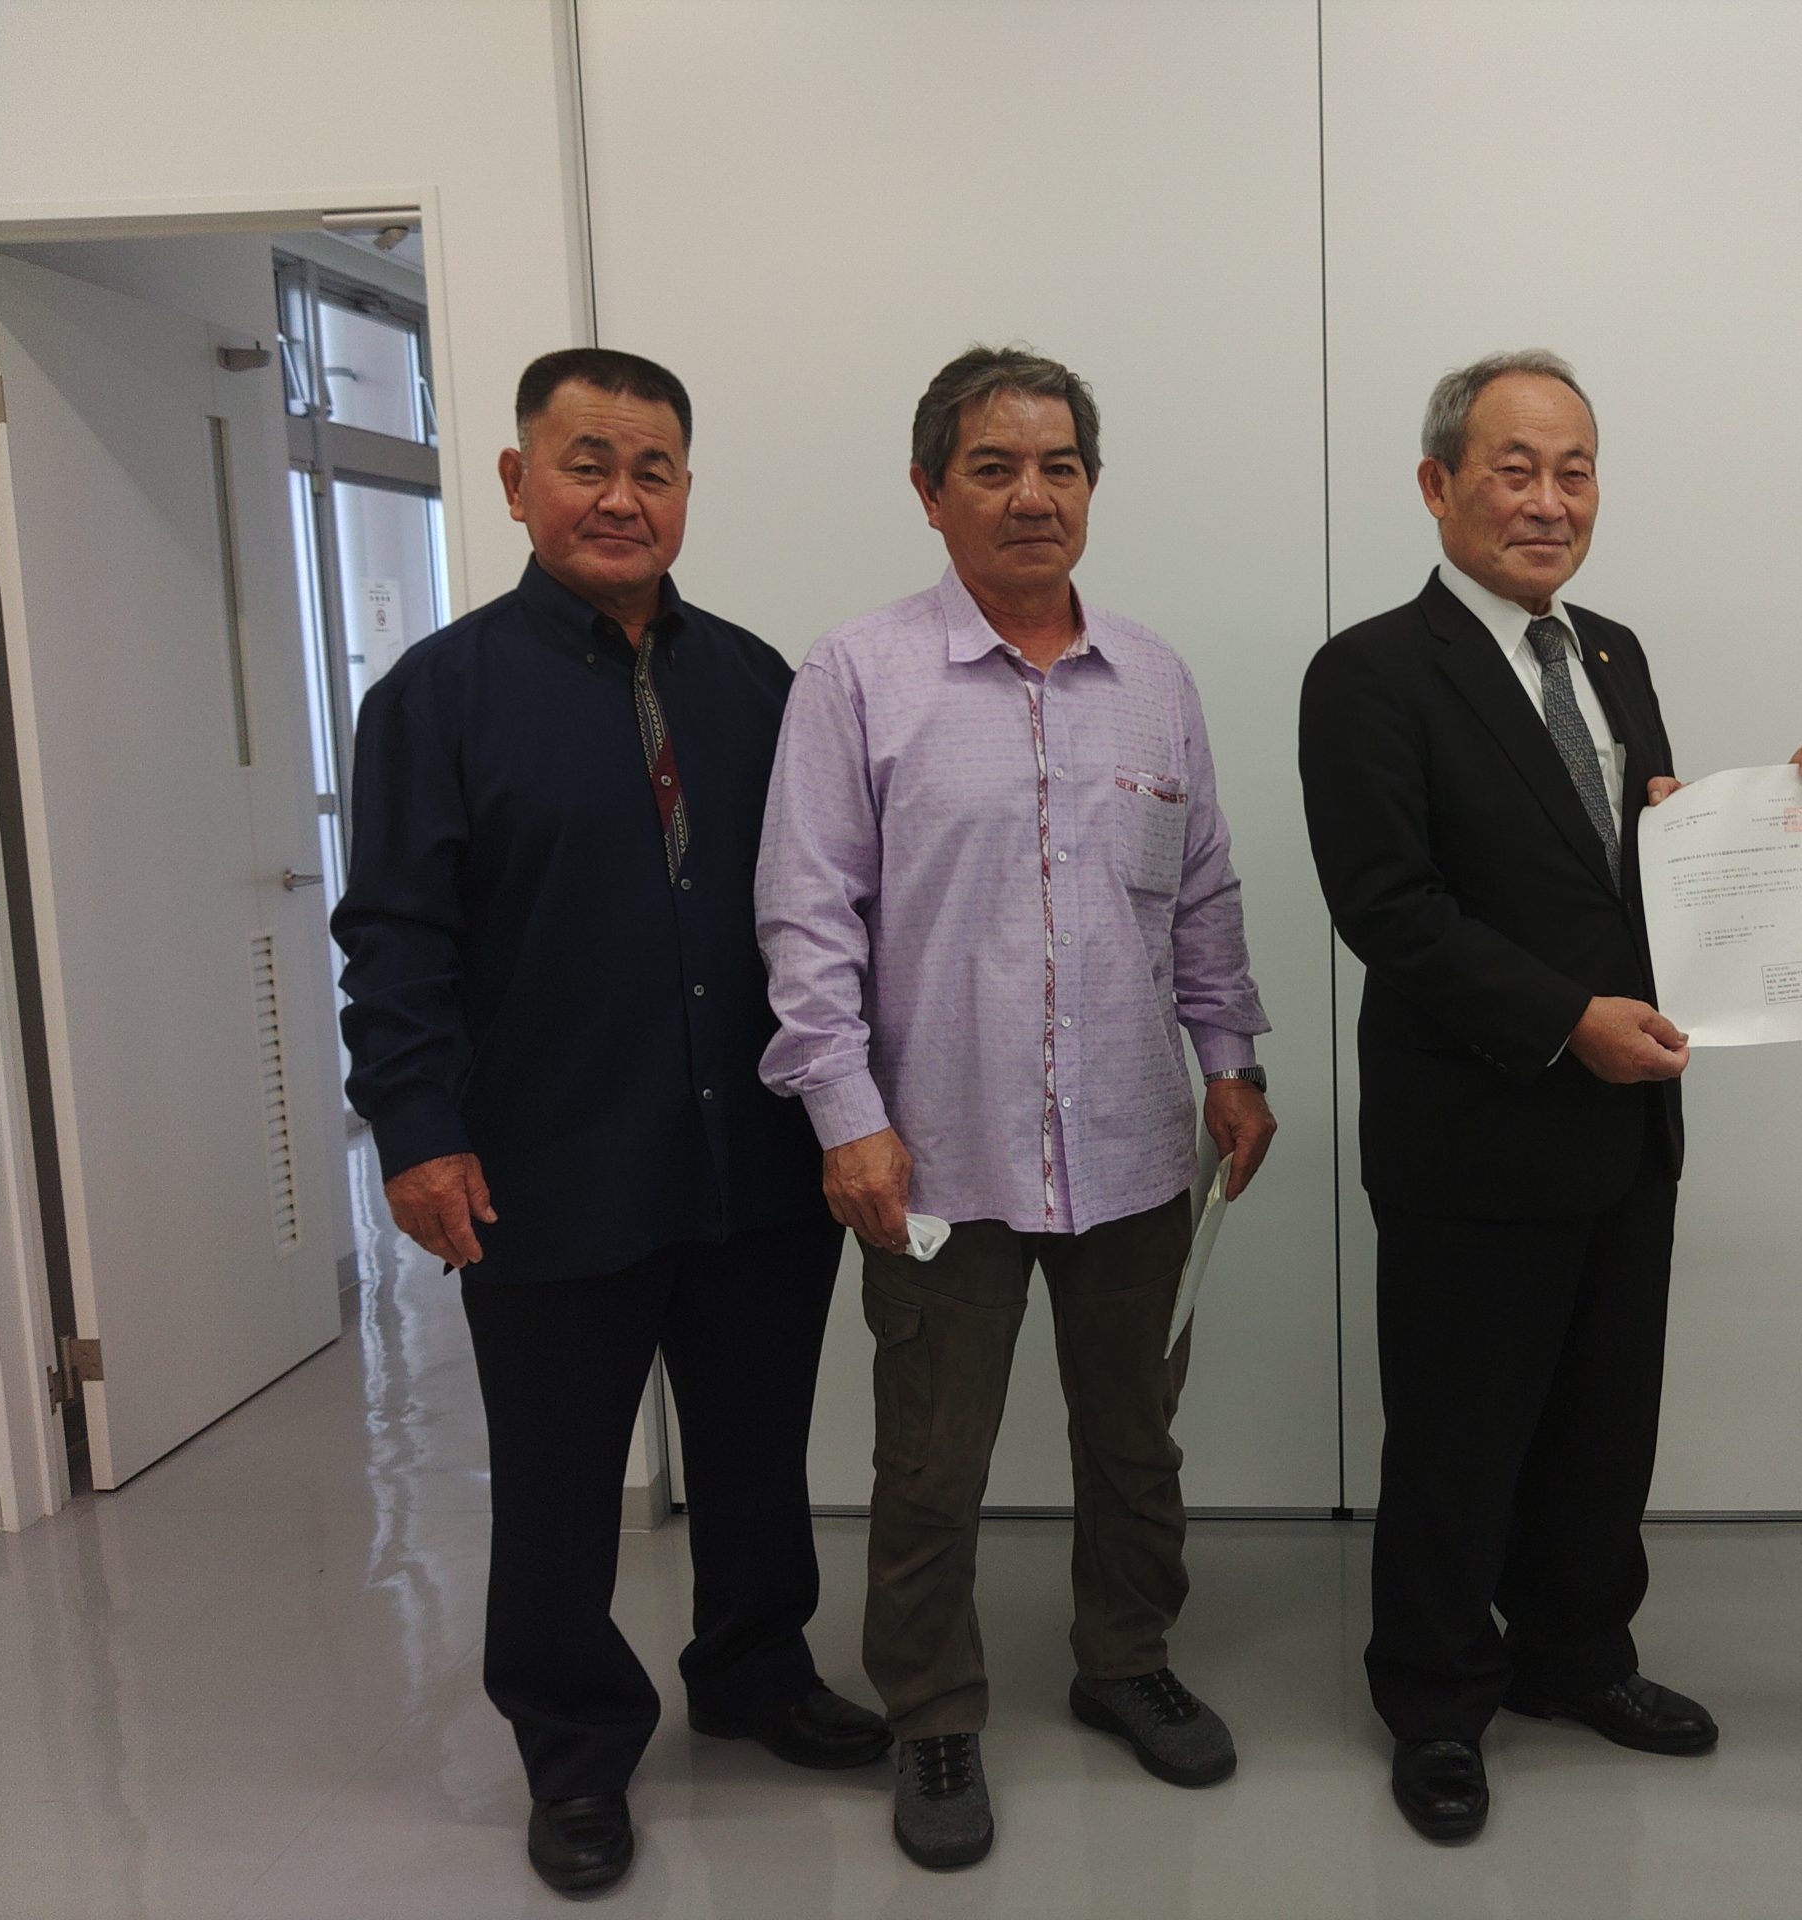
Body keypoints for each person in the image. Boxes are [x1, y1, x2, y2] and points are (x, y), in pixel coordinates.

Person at [333, 349, 888, 1897]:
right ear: (519, 482)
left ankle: (756, 1672)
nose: (622, 497)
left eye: (653, 469)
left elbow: (831, 911)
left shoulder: (762, 685)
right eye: (588, 463)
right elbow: (394, 937)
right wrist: (417, 1129)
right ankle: (575, 1748)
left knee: (757, 1449)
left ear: (688, 491)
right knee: (562, 1477)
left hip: (754, 1160)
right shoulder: (437, 697)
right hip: (548, 1164)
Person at [756, 345, 1276, 1872]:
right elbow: (806, 914)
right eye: (993, 467)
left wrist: (1231, 1061)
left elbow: (1203, 896)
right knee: (932, 1461)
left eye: (1059, 467)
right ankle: (931, 1713)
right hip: (937, 1154)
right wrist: (844, 1113)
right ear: (932, 493)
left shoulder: (1155, 681)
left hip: (1133, 1147)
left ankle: (1126, 1661)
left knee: (1136, 1441)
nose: (1031, 495)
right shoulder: (858, 676)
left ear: (1092, 489)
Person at [1298, 349, 1712, 1845]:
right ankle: (1434, 1699)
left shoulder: (1613, 653)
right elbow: (1388, 907)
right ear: (1439, 485)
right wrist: (1563, 1023)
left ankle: (1577, 1656)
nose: (1549, 502)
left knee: (1605, 1423)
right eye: (1515, 469)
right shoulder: (1369, 672)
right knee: (1459, 1440)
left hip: (1626, 1121)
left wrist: (1727, 845)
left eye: (1574, 472)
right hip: (1473, 1126)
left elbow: (1629, 865)